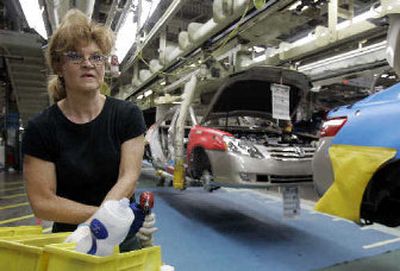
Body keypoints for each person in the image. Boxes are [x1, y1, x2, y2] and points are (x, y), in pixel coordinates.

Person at [22, 9, 156, 251]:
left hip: (120, 238)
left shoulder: (126, 115)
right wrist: (103, 220)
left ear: (104, 65)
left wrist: (109, 225)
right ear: (59, 66)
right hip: (70, 241)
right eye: (75, 56)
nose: (87, 64)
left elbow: (128, 177)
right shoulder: (41, 128)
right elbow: (42, 202)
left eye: (96, 57)